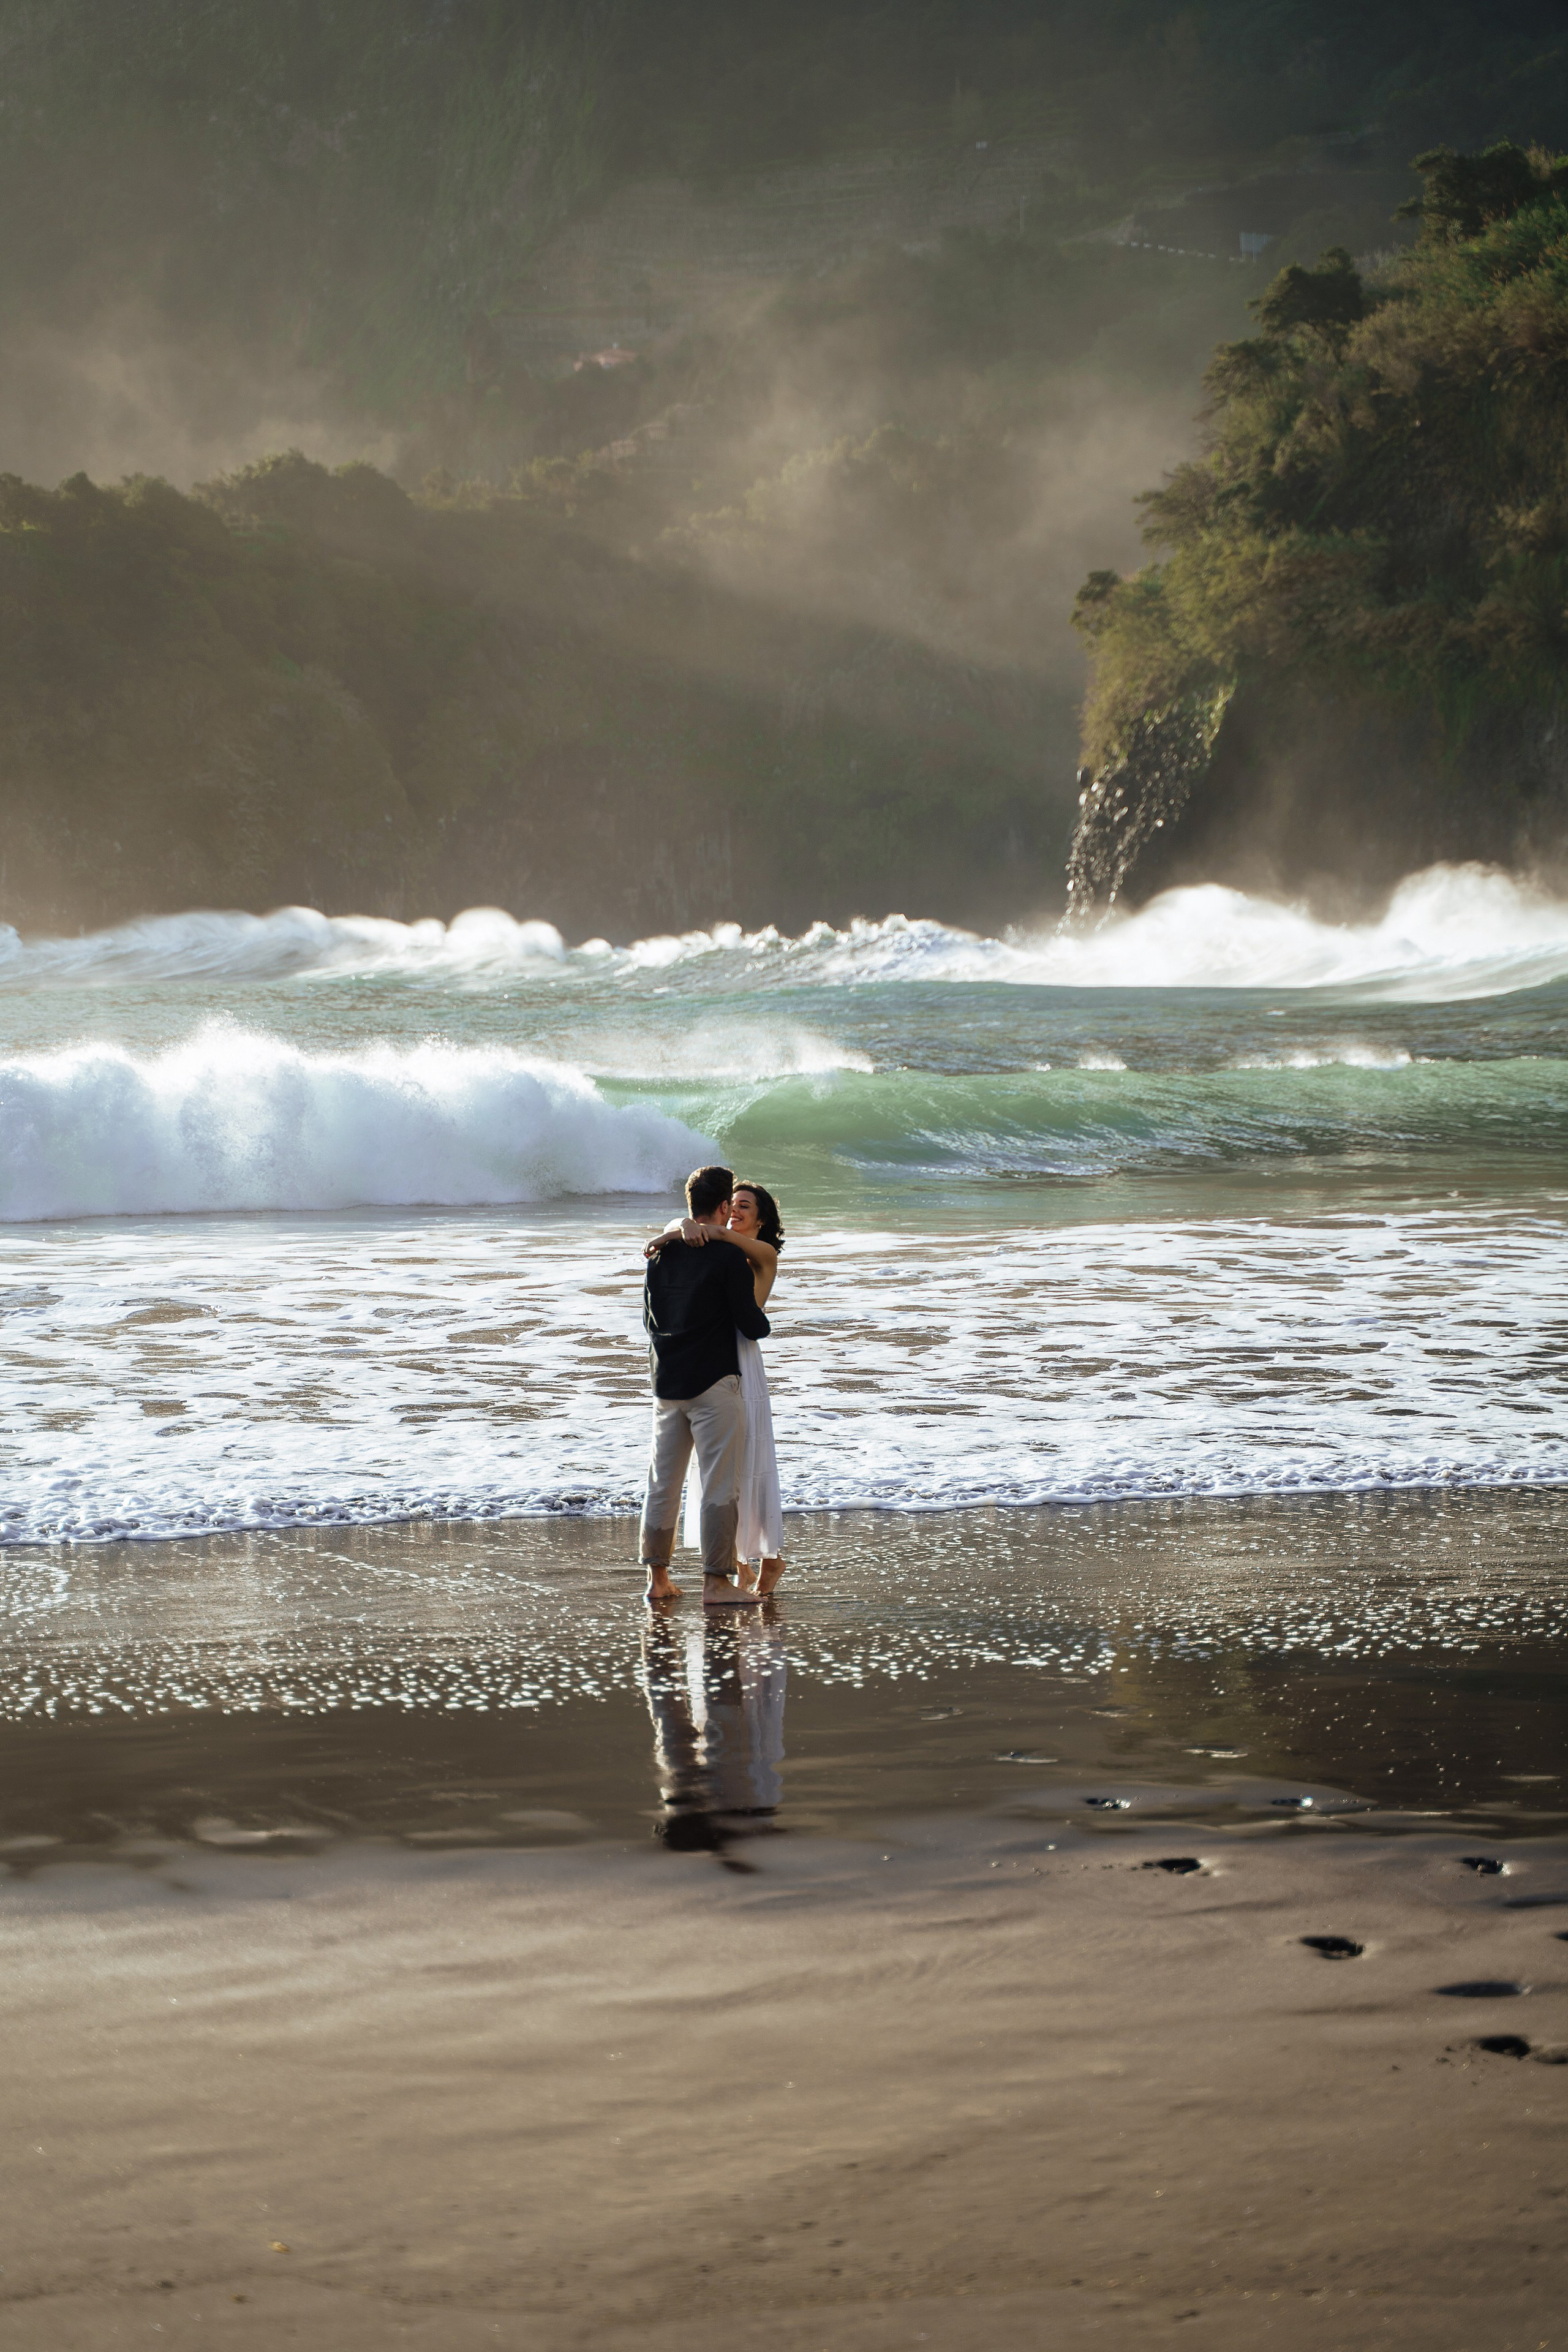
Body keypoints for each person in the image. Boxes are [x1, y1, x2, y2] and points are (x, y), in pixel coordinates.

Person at [639, 1164, 771, 1608]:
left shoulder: (659, 1254)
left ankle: (658, 1578)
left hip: (666, 1383)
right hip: (714, 1383)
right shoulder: (728, 1257)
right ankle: (716, 1582)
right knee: (719, 1487)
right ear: (720, 1207)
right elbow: (752, 1326)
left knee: (663, 1483)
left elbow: (648, 1321)